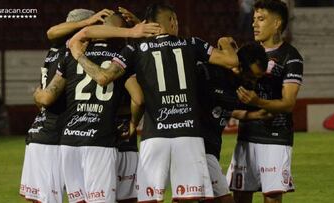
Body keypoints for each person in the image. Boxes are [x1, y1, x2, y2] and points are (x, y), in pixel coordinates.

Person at [69, 3, 239, 202]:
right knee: (189, 198)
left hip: (154, 135)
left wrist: (78, 54)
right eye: (174, 19)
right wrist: (224, 41)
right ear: (172, 21)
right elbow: (232, 61)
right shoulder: (192, 43)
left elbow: (103, 77)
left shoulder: (135, 48)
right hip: (188, 134)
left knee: (148, 199)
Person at [33, 13, 150, 202]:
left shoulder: (72, 54)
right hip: (101, 140)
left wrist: (37, 94)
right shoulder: (121, 58)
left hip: (69, 141)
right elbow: (138, 99)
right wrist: (133, 123)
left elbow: (48, 96)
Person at [226, 1, 304, 203]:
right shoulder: (247, 54)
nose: (254, 25)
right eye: (254, 20)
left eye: (261, 19)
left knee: (271, 198)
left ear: (277, 23)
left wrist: (258, 101)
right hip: (246, 136)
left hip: (276, 138)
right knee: (240, 196)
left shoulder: (291, 57)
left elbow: (288, 103)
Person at [19, 9, 97, 203]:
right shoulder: (71, 55)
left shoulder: (54, 50)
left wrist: (38, 95)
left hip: (49, 134)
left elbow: (43, 98)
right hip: (54, 137)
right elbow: (46, 99)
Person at [197, 42, 271, 203]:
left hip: (212, 148)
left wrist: (257, 114)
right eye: (251, 76)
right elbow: (224, 40)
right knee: (225, 200)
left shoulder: (239, 86)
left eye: (257, 78)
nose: (253, 82)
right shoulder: (210, 72)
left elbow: (228, 110)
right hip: (199, 147)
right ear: (240, 66)